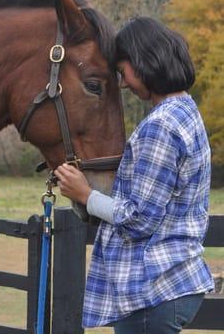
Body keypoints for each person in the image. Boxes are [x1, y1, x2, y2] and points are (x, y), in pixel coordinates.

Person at [54, 17, 214, 334]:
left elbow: (139, 219)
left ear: (144, 64)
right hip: (172, 282)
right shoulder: (185, 111)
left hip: (152, 292)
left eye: (123, 72)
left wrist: (84, 194)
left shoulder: (160, 127)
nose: (124, 83)